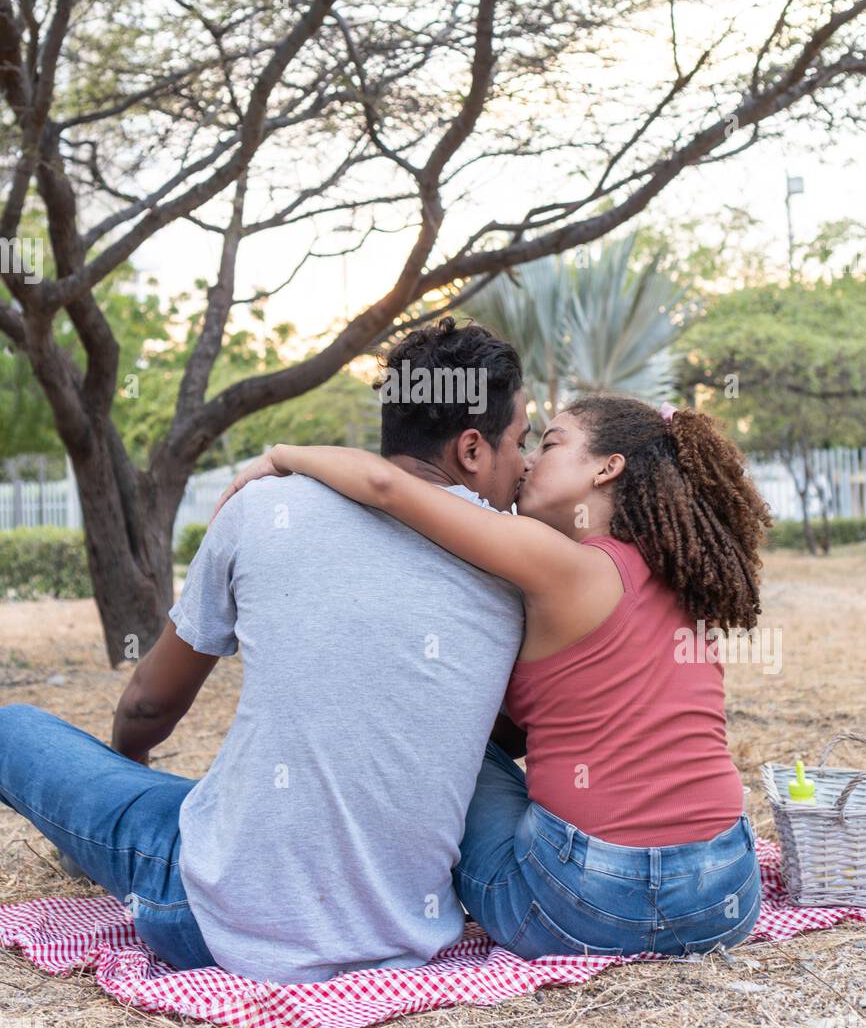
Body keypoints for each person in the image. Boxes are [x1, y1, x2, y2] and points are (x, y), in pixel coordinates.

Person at [0, 318, 530, 982]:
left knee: (12, 728)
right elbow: (497, 734)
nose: (526, 465)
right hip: (405, 935)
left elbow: (148, 704)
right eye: (521, 442)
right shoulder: (525, 573)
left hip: (204, 918)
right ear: (474, 450)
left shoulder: (263, 509)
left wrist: (128, 760)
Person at [216, 394, 774, 960]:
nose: (529, 461)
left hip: (586, 905)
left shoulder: (561, 563)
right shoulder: (683, 580)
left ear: (607, 468)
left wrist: (282, 456)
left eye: (550, 444)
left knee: (440, 739)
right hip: (724, 892)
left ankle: (362, 898)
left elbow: (387, 488)